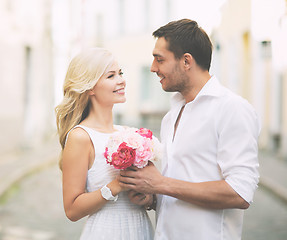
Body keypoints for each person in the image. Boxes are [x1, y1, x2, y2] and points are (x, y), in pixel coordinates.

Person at [119, 19, 261, 240]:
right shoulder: (171, 115)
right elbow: (180, 183)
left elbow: (240, 193)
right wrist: (153, 197)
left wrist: (161, 184)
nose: (153, 68)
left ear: (186, 61)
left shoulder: (232, 109)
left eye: (160, 59)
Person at [55, 48, 154, 240]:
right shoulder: (81, 137)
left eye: (120, 73)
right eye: (111, 76)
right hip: (107, 231)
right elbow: (72, 210)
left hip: (141, 229)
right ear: (90, 87)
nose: (121, 80)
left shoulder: (129, 133)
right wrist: (115, 186)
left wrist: (145, 196)